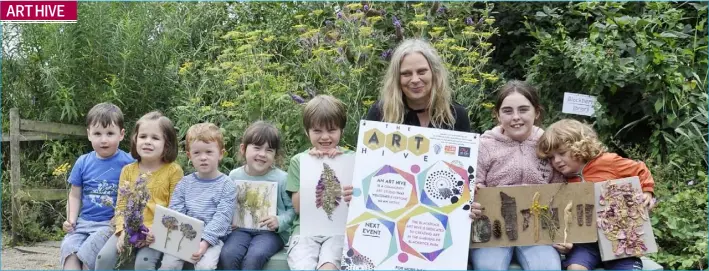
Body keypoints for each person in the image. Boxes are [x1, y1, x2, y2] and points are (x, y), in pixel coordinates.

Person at [536, 119, 656, 270]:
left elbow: (640, 170)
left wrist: (647, 192)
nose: (557, 161)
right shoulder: (561, 180)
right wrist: (565, 242)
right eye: (551, 158)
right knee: (575, 268)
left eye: (561, 153)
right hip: (585, 246)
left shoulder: (608, 162)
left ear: (580, 145)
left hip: (619, 242)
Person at [468, 80, 563, 270]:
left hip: (537, 233)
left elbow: (561, 188)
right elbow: (471, 186)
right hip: (493, 234)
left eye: (523, 110)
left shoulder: (549, 144)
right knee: (489, 267)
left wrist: (564, 235)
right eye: (508, 111)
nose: (516, 117)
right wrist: (472, 198)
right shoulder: (484, 146)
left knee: (548, 266)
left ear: (536, 112)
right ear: (497, 115)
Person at [94, 111, 184, 270]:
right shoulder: (128, 170)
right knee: (103, 258)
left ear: (167, 144)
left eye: (155, 138)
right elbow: (121, 206)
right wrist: (121, 231)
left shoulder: (173, 171)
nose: (148, 142)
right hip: (129, 229)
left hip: (155, 234)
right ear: (135, 140)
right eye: (143, 137)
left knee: (143, 263)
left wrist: (156, 232)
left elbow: (175, 209)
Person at [59, 103, 134, 270]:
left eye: (110, 133)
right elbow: (74, 195)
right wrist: (71, 219)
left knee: (88, 252)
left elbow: (134, 197)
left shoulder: (129, 163)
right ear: (89, 135)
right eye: (97, 133)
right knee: (68, 248)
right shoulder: (83, 162)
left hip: (109, 225)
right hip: (83, 223)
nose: (104, 139)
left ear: (121, 134)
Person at [286, 95, 353, 270]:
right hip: (305, 232)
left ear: (341, 131)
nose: (325, 137)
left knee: (329, 267)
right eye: (317, 131)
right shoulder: (299, 161)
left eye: (331, 130)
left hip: (338, 231)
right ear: (307, 132)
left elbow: (357, 203)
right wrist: (313, 168)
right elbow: (298, 207)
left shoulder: (351, 159)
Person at [159, 123, 236, 270]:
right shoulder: (184, 183)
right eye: (197, 153)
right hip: (184, 235)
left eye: (209, 152)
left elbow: (222, 217)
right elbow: (176, 211)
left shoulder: (227, 185)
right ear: (189, 156)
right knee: (169, 264)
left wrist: (205, 242)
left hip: (212, 239)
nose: (203, 158)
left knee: (205, 267)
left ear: (220, 153)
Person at [219, 121, 295, 270]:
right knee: (228, 254)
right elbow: (226, 205)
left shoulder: (281, 178)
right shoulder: (234, 176)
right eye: (257, 147)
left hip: (270, 234)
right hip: (240, 230)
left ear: (275, 155)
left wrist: (279, 220)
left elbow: (292, 210)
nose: (262, 154)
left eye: (269, 150)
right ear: (243, 149)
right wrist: (228, 221)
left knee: (255, 257)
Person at [365, 38, 471, 132]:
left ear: (434, 73)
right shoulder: (379, 113)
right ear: (397, 78)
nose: (415, 80)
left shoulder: (456, 114)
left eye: (421, 72)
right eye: (406, 74)